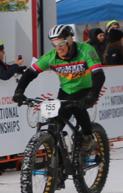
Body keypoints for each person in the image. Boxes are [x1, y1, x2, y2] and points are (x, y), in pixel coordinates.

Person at [13, 25, 105, 154]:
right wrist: (19, 92)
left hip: (85, 88)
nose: (58, 48)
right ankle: (57, 162)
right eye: (54, 44)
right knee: (54, 126)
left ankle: (87, 136)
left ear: (70, 40)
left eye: (61, 43)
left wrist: (93, 95)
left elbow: (98, 74)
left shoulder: (86, 50)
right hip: (66, 90)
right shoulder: (51, 56)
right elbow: (30, 73)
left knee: (77, 106)